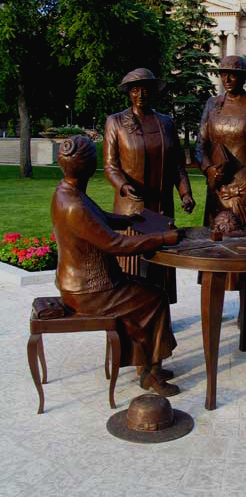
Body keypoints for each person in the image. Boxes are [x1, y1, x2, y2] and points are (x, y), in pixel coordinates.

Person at [51, 135, 182, 396]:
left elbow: (99, 218)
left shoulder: (66, 192)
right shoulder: (75, 205)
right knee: (155, 299)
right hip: (90, 291)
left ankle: (146, 362)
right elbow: (115, 245)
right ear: (91, 166)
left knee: (148, 293)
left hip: (83, 284)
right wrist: (162, 238)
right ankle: (151, 373)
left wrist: (128, 219)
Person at [104, 67, 195, 301]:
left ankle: (161, 318)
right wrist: (123, 186)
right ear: (129, 93)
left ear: (153, 92)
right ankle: (131, 318)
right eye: (135, 90)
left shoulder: (165, 123)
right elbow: (110, 165)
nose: (141, 94)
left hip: (161, 208)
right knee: (132, 266)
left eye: (145, 89)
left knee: (160, 267)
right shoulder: (116, 122)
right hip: (132, 210)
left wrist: (185, 193)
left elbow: (177, 166)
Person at [195, 55, 246, 299]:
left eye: (234, 74)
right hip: (217, 189)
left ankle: (245, 309)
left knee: (245, 252)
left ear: (244, 77)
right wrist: (209, 170)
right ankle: (212, 305)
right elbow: (200, 145)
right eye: (224, 73)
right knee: (213, 252)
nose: (228, 79)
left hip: (244, 190)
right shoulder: (212, 104)